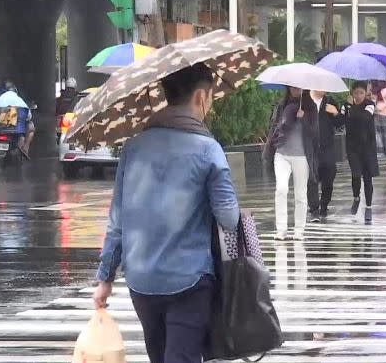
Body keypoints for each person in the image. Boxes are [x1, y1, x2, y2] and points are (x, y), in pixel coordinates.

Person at [92, 63, 240, 363]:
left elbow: (116, 221)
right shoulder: (207, 149)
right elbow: (229, 218)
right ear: (201, 97)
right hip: (189, 278)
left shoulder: (133, 147)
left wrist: (105, 278)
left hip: (141, 280)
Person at [266, 87, 318, 241]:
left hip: (301, 156)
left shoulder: (311, 107)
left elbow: (315, 133)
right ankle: (281, 229)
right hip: (282, 154)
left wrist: (304, 118)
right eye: (293, 87)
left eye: (299, 88)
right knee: (281, 189)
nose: (296, 90)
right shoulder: (282, 105)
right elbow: (274, 126)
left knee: (300, 195)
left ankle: (299, 230)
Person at [342, 81, 379, 224]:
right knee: (356, 174)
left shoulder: (370, 104)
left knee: (367, 178)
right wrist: (335, 113)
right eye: (356, 93)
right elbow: (341, 120)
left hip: (367, 147)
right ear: (352, 93)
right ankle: (356, 198)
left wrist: (351, 108)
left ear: (366, 93)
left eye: (361, 93)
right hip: (352, 147)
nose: (358, 96)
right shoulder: (346, 106)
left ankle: (368, 207)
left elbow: (364, 118)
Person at [307, 90, 344, 223]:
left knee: (329, 173)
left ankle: (324, 204)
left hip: (327, 146)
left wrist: (336, 113)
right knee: (312, 178)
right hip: (309, 147)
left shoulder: (330, 101)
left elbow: (340, 123)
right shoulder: (305, 101)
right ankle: (314, 208)